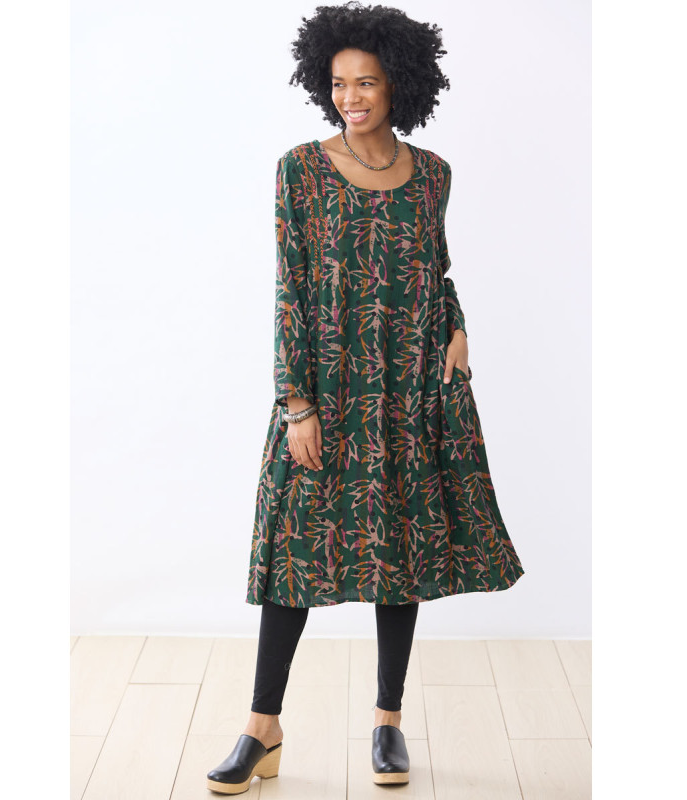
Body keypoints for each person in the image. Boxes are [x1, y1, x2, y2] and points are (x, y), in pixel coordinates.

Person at [207, 2, 525, 794]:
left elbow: (435, 269)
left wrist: (456, 325)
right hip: (329, 388)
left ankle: (387, 722)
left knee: (399, 555)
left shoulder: (434, 174)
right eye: (339, 83)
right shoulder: (300, 170)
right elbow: (290, 289)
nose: (350, 97)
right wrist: (297, 405)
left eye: (368, 83)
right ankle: (261, 727)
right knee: (291, 555)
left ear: (399, 85)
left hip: (409, 388)